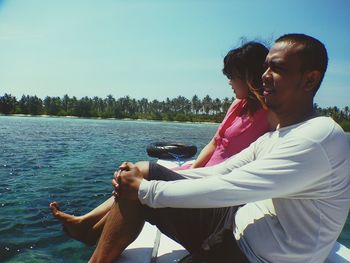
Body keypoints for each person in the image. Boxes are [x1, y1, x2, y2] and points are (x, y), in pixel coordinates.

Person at [86, 33, 350, 263]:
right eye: (265, 67)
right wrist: (145, 179)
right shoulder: (278, 135)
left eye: (277, 69)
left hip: (252, 257)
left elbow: (234, 186)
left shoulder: (318, 138)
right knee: (146, 172)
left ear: (310, 79)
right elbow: (223, 172)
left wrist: (147, 190)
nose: (264, 76)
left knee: (145, 184)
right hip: (234, 226)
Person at [49, 41, 276, 246]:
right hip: (201, 173)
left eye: (232, 75)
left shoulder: (270, 114)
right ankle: (87, 224)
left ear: (248, 76)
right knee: (134, 175)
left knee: (139, 175)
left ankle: (87, 227)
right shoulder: (237, 105)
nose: (228, 81)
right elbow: (215, 143)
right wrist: (192, 170)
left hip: (218, 185)